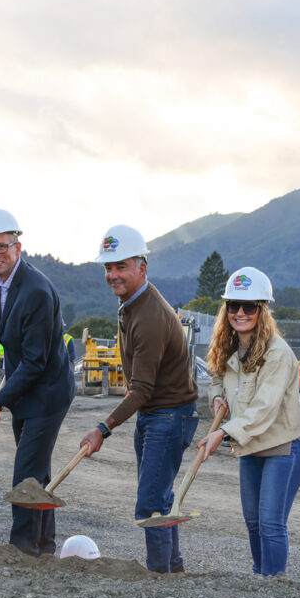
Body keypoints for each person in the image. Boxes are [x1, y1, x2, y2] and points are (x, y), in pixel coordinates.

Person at [79, 225, 199, 574]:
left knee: (149, 506)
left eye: (121, 267)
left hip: (168, 414)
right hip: (156, 412)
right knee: (159, 500)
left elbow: (142, 389)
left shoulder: (148, 317)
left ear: (141, 267)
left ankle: (158, 577)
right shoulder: (132, 304)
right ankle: (172, 570)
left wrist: (103, 427)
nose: (112, 275)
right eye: (108, 267)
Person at [0, 208, 75, 555]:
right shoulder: (2, 283)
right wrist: (6, 395)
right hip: (26, 388)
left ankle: (20, 551)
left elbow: (35, 361)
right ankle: (43, 545)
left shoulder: (35, 290)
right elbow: (14, 348)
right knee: (37, 473)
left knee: (25, 475)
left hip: (47, 392)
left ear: (18, 245)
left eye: (1, 247)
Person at [197, 267, 300, 576]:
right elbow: (216, 380)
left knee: (271, 521)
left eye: (249, 307)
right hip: (249, 443)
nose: (240, 313)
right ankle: (260, 575)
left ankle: (274, 584)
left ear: (262, 311)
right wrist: (217, 397)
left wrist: (223, 432)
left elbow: (264, 408)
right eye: (234, 306)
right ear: (226, 309)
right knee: (253, 519)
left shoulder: (278, 353)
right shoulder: (228, 346)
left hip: (283, 444)